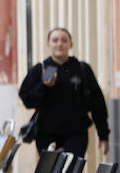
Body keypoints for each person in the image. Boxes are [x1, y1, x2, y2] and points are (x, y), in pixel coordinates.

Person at [18, 27, 110, 162]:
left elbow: (97, 103)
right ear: (48, 44)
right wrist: (44, 86)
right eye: (55, 40)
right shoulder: (44, 69)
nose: (59, 44)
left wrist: (103, 134)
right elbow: (27, 100)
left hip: (76, 134)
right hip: (46, 134)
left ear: (70, 45)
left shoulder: (81, 68)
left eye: (64, 40)